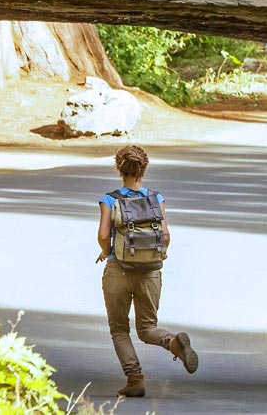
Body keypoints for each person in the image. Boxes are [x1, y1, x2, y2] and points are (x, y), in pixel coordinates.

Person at [95, 145, 198, 398]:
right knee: (148, 328)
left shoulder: (111, 199)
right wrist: (153, 256)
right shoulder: (156, 198)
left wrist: (107, 251)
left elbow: (103, 234)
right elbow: (165, 235)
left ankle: (135, 379)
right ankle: (173, 342)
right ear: (144, 168)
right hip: (151, 270)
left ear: (119, 168)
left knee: (119, 329)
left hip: (118, 270)